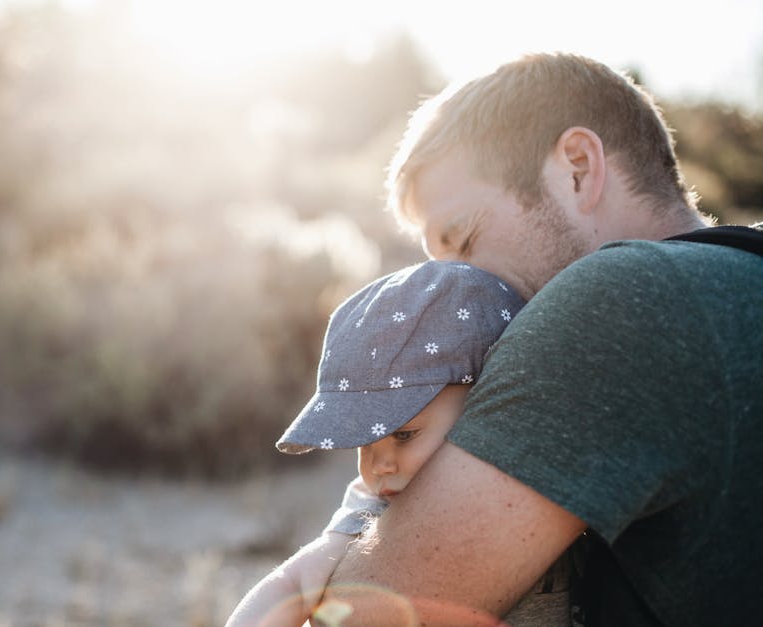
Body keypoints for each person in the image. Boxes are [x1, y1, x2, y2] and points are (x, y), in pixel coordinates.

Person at [313, 52, 763, 625]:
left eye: (464, 240)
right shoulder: (739, 277)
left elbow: (364, 618)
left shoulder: (617, 300)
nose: (452, 289)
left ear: (577, 167)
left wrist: (330, 551)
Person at [226, 260, 574, 626]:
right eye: (364, 443)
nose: (379, 465)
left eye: (404, 435)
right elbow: (293, 581)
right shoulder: (376, 508)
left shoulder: (546, 468)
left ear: (485, 401)